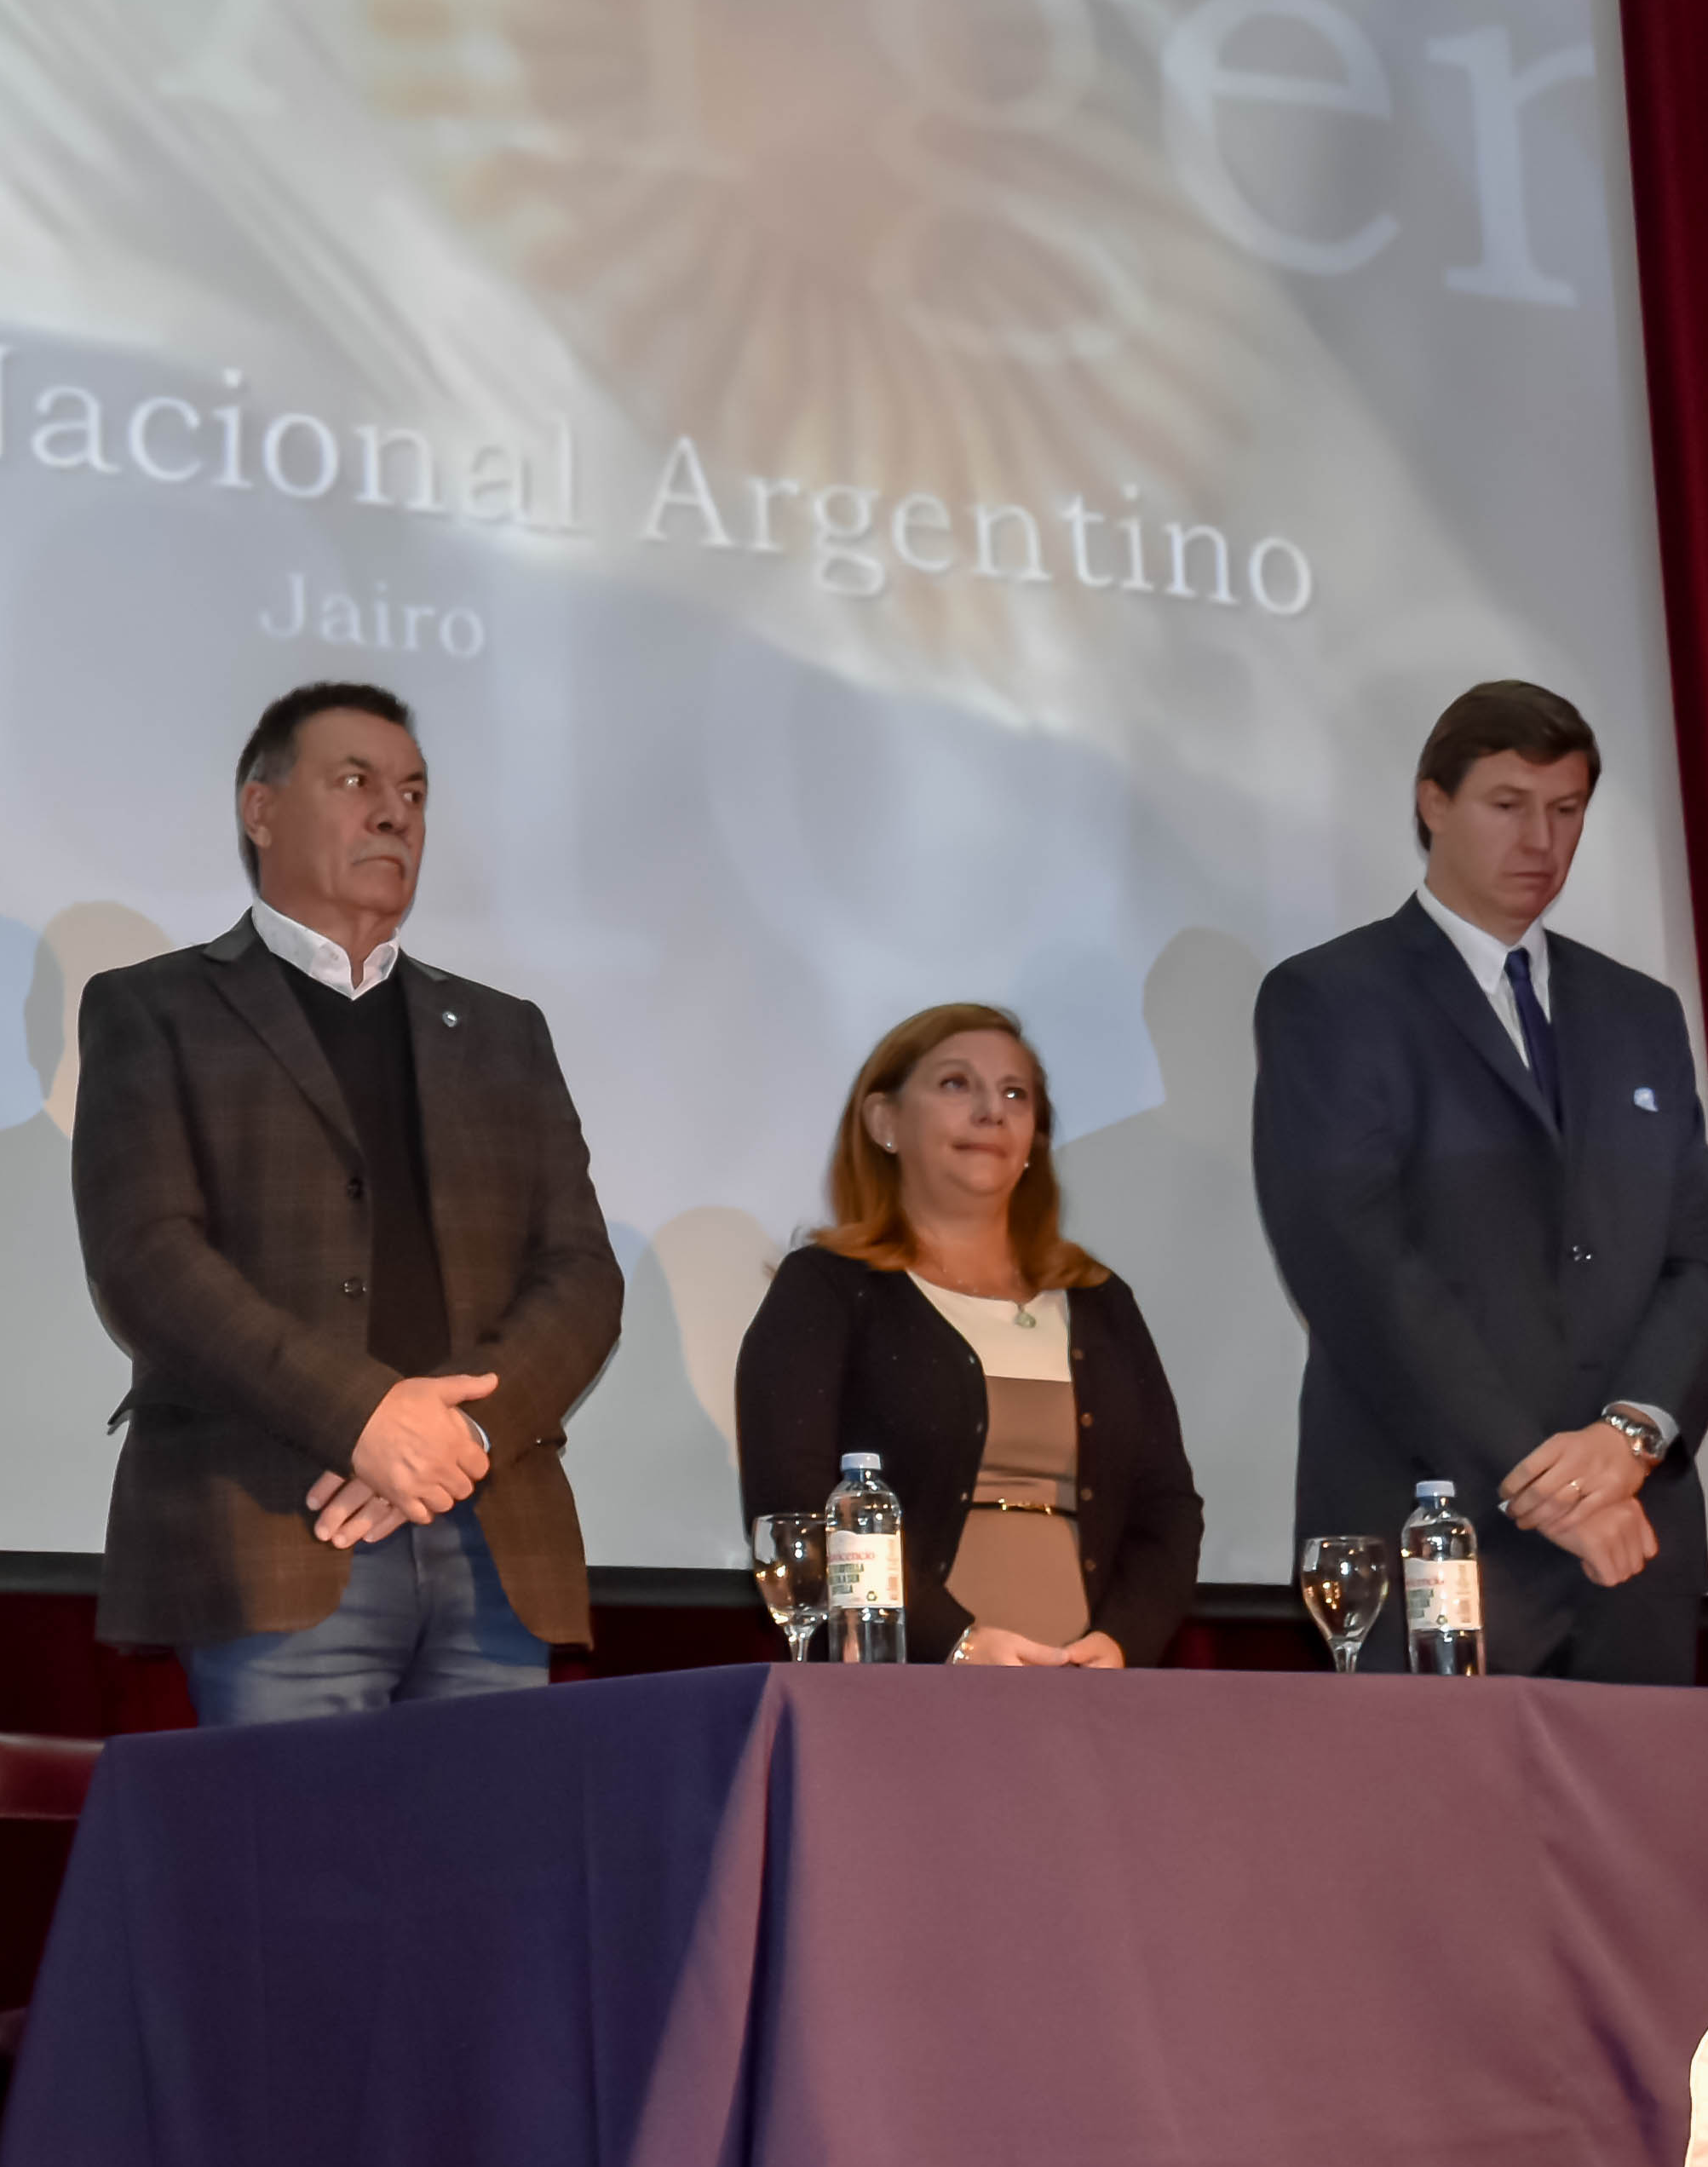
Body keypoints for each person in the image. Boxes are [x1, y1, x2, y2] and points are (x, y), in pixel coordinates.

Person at [70, 681, 620, 1724]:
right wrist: (363, 1417)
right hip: (276, 1531)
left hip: (493, 1536)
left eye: (412, 793)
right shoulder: (156, 1009)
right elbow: (148, 1262)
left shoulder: (502, 1033)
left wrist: (458, 1437)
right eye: (356, 782)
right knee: (303, 1836)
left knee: (495, 1837)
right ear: (261, 809)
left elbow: (583, 1277)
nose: (393, 814)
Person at [1251, 681, 1708, 1681]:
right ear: (1433, 802)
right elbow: (1353, 1263)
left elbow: (1702, 1265)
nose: (1541, 842)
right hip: (1435, 1532)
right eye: (1508, 805)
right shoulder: (1332, 998)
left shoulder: (1639, 1012)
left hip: (1630, 1544)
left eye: (1566, 810)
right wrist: (1541, 1479)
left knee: (1643, 1790)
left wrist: (1628, 1436)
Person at [734, 1006, 1204, 1666]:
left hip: (1088, 1689)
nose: (991, 1112)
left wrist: (1122, 1641)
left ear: (1035, 1137)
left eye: (1015, 1094)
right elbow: (795, 1504)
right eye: (956, 1084)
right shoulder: (826, 1288)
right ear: (884, 1122)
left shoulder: (1100, 1300)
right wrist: (957, 1641)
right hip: (906, 1685)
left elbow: (1167, 1509)